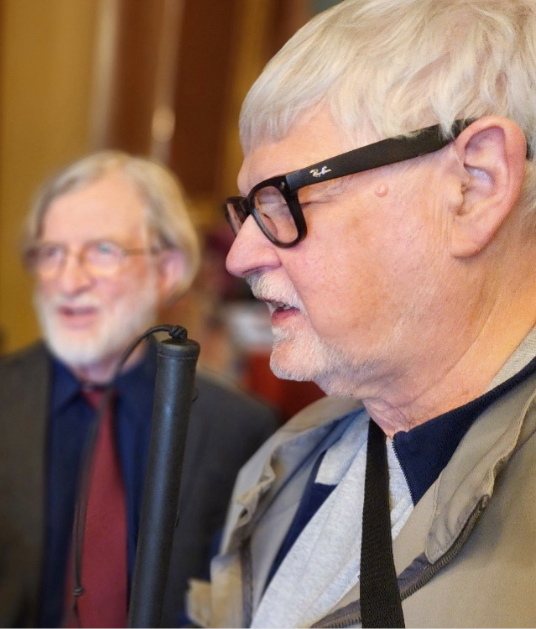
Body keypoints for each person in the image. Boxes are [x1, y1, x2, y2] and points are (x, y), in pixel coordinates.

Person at [192, 1, 536, 626]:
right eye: (249, 207)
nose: (241, 255)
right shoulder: (289, 460)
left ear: (475, 185)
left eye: (283, 197)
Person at [0, 151, 278, 627]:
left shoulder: (236, 428)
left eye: (102, 251)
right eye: (51, 252)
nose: (69, 280)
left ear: (167, 269)